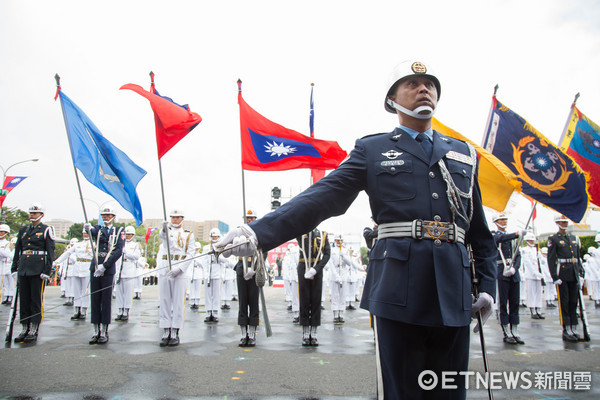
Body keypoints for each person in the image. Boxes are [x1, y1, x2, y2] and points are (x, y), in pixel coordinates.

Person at [217, 60, 497, 399]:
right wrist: (259, 233)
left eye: (430, 84)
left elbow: (479, 233)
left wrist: (488, 286)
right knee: (402, 392)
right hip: (399, 289)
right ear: (392, 99)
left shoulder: (463, 153)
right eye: (412, 83)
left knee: (449, 392)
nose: (424, 89)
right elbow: (322, 198)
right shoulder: (373, 149)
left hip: (454, 290)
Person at [11, 203, 56, 343]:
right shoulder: (23, 230)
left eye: (35, 213)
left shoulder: (46, 230)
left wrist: (47, 271)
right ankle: (24, 327)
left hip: (38, 269)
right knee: (24, 300)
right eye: (30, 213)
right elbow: (18, 250)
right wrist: (14, 268)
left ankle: (34, 329)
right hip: (24, 268)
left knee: (35, 300)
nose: (32, 215)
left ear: (41, 215)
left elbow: (50, 252)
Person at [84, 206, 124, 345]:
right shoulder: (98, 229)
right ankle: (96, 330)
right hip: (95, 266)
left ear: (113, 216)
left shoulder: (118, 230)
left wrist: (105, 266)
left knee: (106, 300)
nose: (105, 217)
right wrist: (87, 229)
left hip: (107, 268)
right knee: (95, 299)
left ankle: (104, 330)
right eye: (104, 215)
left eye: (108, 215)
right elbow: (91, 233)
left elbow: (118, 250)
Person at [158, 209, 194, 346]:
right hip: (165, 266)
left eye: (177, 217)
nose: (175, 220)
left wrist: (180, 268)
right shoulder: (167, 231)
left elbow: (190, 254)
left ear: (182, 219)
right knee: (165, 300)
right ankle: (166, 329)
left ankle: (175, 331)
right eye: (173, 217)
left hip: (179, 268)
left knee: (178, 302)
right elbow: (163, 237)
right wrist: (164, 228)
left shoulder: (188, 234)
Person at [547, 214, 584, 342]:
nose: (565, 224)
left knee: (574, 302)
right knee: (565, 303)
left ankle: (574, 328)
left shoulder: (573, 238)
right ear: (557, 223)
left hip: (573, 272)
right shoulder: (554, 239)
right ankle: (566, 329)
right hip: (562, 273)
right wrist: (554, 276)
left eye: (566, 222)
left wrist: (580, 272)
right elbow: (551, 259)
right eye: (562, 222)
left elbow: (577, 257)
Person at [491, 213, 524, 345]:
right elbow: (499, 239)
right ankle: (506, 331)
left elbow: (518, 256)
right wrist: (517, 234)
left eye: (505, 219)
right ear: (496, 221)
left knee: (515, 302)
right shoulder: (494, 234)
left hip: (513, 272)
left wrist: (514, 269)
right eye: (501, 220)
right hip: (501, 271)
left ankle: (515, 329)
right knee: (503, 303)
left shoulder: (513, 238)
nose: (504, 221)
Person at [296, 228, 330, 346]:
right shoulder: (301, 233)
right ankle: (305, 332)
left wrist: (316, 269)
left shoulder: (323, 234)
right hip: (303, 266)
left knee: (316, 300)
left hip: (317, 268)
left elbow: (327, 254)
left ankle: (314, 333)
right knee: (304, 300)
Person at [235, 209, 262, 346]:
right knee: (242, 302)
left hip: (254, 268)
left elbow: (264, 252)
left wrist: (254, 268)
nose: (249, 220)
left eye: (252, 218)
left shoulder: (260, 233)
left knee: (253, 302)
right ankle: (243, 333)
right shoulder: (238, 232)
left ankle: (251, 333)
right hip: (241, 268)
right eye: (247, 218)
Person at [53, 228, 92, 320]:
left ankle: (83, 310)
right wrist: (57, 261)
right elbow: (67, 253)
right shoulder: (78, 245)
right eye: (83, 233)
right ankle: (76, 309)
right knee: (77, 291)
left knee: (85, 292)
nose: (85, 235)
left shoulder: (93, 245)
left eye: (86, 233)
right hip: (77, 268)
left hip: (87, 268)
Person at [201, 227, 231, 323]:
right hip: (208, 272)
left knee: (216, 293)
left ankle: (215, 313)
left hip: (217, 270)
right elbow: (204, 261)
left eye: (216, 236)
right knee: (208, 294)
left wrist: (217, 256)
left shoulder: (221, 247)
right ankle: (208, 312)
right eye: (213, 236)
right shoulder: (206, 247)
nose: (214, 238)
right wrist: (205, 273)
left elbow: (224, 260)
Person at [114, 226, 141, 321]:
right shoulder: (119, 244)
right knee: (119, 292)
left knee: (128, 293)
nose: (127, 236)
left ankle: (126, 311)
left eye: (129, 234)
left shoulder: (135, 245)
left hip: (129, 269)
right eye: (126, 234)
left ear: (133, 235)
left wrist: (126, 253)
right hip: (119, 270)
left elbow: (136, 257)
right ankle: (120, 310)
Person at [327, 234, 352, 324]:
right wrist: (336, 275)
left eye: (340, 240)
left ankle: (341, 313)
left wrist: (344, 257)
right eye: (337, 240)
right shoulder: (331, 250)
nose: (339, 242)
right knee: (334, 295)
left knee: (343, 295)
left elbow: (350, 263)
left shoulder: (346, 250)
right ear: (335, 241)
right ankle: (335, 314)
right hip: (334, 274)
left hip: (344, 274)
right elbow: (330, 264)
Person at [521, 232, 545, 320]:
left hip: (539, 275)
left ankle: (538, 309)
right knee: (531, 293)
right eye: (531, 240)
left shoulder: (537, 250)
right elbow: (527, 263)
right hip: (531, 275)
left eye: (533, 240)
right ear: (527, 241)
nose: (532, 242)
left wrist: (540, 257)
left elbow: (542, 262)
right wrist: (535, 272)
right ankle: (532, 311)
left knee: (539, 293)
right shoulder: (524, 250)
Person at [282, 243, 300, 322]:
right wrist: (291, 277)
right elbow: (290, 267)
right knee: (294, 295)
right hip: (292, 277)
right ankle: (296, 313)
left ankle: (302, 313)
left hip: (301, 276)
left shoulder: (301, 250)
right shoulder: (287, 256)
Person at [0, 224, 16, 305]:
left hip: (6, 265)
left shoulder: (8, 243)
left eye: (2, 231)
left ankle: (11, 296)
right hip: (1, 265)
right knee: (5, 283)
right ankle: (6, 296)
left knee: (10, 282)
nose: (0, 233)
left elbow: (7, 254)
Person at [189, 242, 204, 310]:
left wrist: (196, 259)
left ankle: (197, 302)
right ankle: (192, 302)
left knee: (197, 288)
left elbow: (202, 265)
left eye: (197, 248)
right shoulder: (190, 256)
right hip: (192, 273)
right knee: (192, 288)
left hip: (198, 272)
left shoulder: (201, 255)